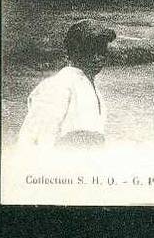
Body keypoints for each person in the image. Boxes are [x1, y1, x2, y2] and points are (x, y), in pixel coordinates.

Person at [16, 19, 117, 149]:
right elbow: (34, 141)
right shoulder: (59, 86)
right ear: (74, 52)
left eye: (102, 50)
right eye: (91, 51)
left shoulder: (91, 88)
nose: (98, 57)